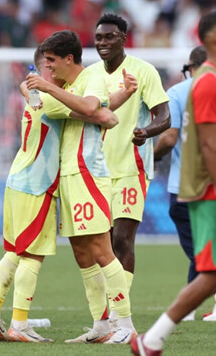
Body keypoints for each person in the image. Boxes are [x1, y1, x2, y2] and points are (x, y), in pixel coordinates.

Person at [132, 10, 216, 356]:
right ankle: (151, 341)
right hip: (213, 195)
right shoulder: (209, 84)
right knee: (215, 275)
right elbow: (208, 144)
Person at [0, 47, 119, 343]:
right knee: (32, 255)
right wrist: (112, 109)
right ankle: (19, 324)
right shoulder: (50, 100)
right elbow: (98, 114)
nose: (55, 75)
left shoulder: (36, 97)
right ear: (40, 73)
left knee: (15, 252)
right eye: (49, 69)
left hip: (17, 179)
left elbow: (83, 108)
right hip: (37, 185)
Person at [26, 30, 136, 344]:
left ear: (69, 59)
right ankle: (101, 324)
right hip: (68, 176)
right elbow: (99, 112)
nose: (47, 68)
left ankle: (125, 324)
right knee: (81, 252)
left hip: (88, 172)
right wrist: (119, 98)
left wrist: (47, 87)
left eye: (51, 61)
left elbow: (91, 107)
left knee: (102, 249)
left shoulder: (91, 77)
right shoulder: (69, 86)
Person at [90, 13, 170, 302]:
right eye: (99, 37)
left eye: (109, 36)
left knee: (123, 240)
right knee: (104, 245)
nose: (103, 42)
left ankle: (118, 316)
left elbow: (165, 116)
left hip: (130, 168)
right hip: (96, 172)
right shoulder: (90, 74)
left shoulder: (143, 71)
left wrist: (146, 132)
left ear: (123, 38)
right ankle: (107, 314)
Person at [152, 45, 207, 321]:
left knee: (201, 253)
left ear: (193, 66)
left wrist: (152, 157)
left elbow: (169, 137)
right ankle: (198, 306)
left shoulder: (178, 92)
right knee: (207, 253)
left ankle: (188, 308)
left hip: (184, 186)